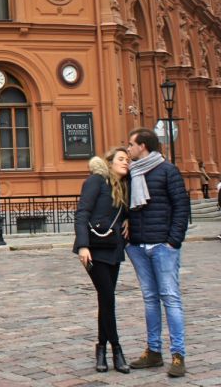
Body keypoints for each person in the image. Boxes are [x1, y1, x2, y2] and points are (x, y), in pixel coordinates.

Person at [125, 127, 189, 378]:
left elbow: (181, 206)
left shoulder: (167, 170)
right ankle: (153, 351)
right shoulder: (131, 172)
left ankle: (178, 355)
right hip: (138, 246)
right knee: (150, 299)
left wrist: (173, 241)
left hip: (163, 245)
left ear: (143, 146)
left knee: (170, 298)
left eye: (131, 144)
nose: (128, 149)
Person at [73, 147, 131, 374]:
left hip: (113, 248)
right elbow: (82, 213)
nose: (125, 162)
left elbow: (126, 212)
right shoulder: (96, 181)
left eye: (128, 159)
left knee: (105, 300)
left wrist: (129, 220)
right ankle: (116, 349)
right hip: (94, 250)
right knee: (108, 298)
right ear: (109, 162)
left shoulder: (124, 186)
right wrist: (83, 245)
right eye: (121, 159)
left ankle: (101, 350)